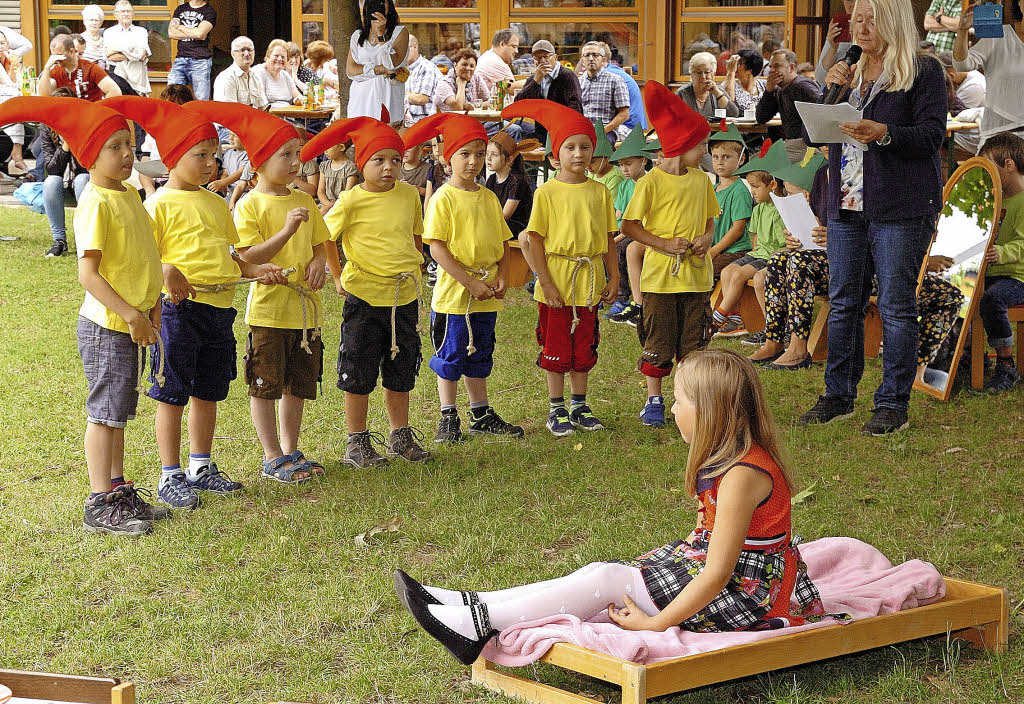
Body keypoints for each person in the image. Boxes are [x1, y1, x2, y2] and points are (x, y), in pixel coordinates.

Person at [394, 349, 832, 667]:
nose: (674, 409)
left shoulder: (742, 475)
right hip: (727, 578)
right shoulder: (730, 460)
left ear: (711, 412)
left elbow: (718, 573)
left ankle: (476, 623)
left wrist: (656, 624)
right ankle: (471, 605)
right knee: (600, 574)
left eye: (680, 401)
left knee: (606, 579)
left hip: (746, 596)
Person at [106, 96, 285, 508]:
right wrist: (167, 269)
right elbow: (143, 257)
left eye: (215, 155)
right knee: (171, 393)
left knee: (209, 391)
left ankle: (200, 466)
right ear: (172, 157)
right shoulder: (157, 204)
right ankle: (170, 474)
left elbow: (231, 257)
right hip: (178, 313)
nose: (211, 164)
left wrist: (256, 270)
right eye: (200, 154)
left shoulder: (216, 203)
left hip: (220, 312)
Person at [0, 97, 165, 535]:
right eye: (114, 146)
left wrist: (152, 306)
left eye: (129, 143)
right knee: (104, 413)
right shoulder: (95, 202)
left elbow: (142, 255)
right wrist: (132, 314)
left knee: (119, 414)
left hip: (132, 321)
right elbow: (88, 274)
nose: (128, 153)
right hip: (108, 326)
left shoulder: (128, 193)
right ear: (88, 156)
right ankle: (99, 502)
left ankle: (117, 487)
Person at [798, 0, 947, 436]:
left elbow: (931, 135)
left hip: (900, 207)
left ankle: (891, 405)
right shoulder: (848, 71)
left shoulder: (923, 71)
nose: (860, 28)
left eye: (870, 19)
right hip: (846, 203)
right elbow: (812, 134)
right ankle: (838, 396)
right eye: (856, 20)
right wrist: (829, 91)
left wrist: (884, 133)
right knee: (844, 302)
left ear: (894, 21)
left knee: (896, 307)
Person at [186, 101, 330, 484]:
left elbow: (320, 244)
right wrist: (285, 232)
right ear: (260, 162)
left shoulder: (304, 200)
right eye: (286, 155)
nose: (296, 161)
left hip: (306, 313)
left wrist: (319, 262)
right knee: (265, 383)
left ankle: (290, 449)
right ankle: (271, 455)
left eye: (298, 153)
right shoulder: (249, 205)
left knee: (298, 383)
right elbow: (247, 257)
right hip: (268, 312)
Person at [305, 116, 432, 467]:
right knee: (358, 369)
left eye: (395, 159)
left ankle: (400, 434)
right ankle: (357, 440)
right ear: (362, 164)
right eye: (379, 160)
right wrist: (337, 275)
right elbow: (327, 237)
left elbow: (416, 233)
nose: (389, 168)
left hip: (403, 297)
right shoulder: (351, 200)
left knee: (401, 367)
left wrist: (417, 259)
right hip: (364, 298)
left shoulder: (408, 195)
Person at [403, 114, 524, 443]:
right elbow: (438, 249)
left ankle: (481, 412)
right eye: (464, 154)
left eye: (480, 154)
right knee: (452, 354)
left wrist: (502, 273)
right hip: (455, 297)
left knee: (479, 352)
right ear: (448, 157)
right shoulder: (443, 197)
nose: (473, 162)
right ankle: (447, 414)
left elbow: (501, 240)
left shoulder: (486, 197)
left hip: (486, 294)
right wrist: (469, 282)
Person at [504, 100, 617, 436]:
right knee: (556, 345)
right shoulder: (547, 193)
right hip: (557, 277)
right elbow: (534, 240)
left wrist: (615, 276)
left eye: (585, 146)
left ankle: (580, 404)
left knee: (584, 343)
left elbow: (609, 238)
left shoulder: (599, 192)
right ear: (556, 156)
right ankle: (556, 408)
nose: (578, 154)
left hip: (590, 279)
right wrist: (546, 282)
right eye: (570, 147)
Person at [620, 81, 720, 428]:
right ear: (681, 145)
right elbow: (630, 226)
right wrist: (663, 244)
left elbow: (710, 220)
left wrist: (707, 238)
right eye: (702, 144)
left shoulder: (702, 180)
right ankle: (654, 399)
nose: (705, 151)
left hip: (696, 277)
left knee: (694, 343)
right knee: (658, 339)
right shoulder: (650, 183)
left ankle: (689, 399)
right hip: (661, 280)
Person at [748, 150, 831, 369]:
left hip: (850, 265)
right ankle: (774, 340)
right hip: (822, 262)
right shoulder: (823, 187)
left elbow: (865, 235)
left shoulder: (854, 187)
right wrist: (793, 240)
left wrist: (833, 237)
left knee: (798, 262)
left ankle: (798, 348)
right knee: (778, 259)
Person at [713, 164, 785, 340]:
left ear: (772, 185)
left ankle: (718, 315)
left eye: (756, 187)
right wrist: (753, 254)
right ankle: (735, 320)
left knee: (738, 275)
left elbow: (781, 244)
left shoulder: (780, 210)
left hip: (770, 257)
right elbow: (755, 237)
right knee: (727, 271)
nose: (752, 191)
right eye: (751, 187)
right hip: (757, 254)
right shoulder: (759, 208)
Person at [977, 132, 1024, 392]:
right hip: (991, 272)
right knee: (960, 291)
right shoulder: (994, 199)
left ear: (1008, 165)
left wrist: (1001, 253)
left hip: (1017, 276)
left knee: (991, 299)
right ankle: (966, 353)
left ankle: (1006, 363)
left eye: (990, 168)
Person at [954, 1, 1024, 145]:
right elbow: (962, 64)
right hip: (997, 138)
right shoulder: (999, 37)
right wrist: (962, 30)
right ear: (1019, 3)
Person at [37, 88, 91, 258]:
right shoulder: (46, 128)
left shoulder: (85, 126)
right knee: (51, 181)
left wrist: (74, 138)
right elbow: (52, 169)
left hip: (83, 184)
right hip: (60, 186)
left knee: (83, 179)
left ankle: (87, 240)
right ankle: (59, 240)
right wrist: (65, 146)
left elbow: (88, 165)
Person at [605, 127, 649, 324]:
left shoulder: (648, 183)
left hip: (640, 231)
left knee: (619, 249)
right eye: (621, 165)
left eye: (629, 164)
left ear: (644, 161)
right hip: (624, 229)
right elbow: (618, 214)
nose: (624, 169)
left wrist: (615, 238)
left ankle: (623, 297)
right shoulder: (624, 185)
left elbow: (635, 222)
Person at [346, 0, 408, 124]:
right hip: (361, 96)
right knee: (361, 134)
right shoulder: (358, 36)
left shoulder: (399, 32)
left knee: (385, 135)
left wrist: (381, 34)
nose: (377, 4)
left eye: (381, 2)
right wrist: (378, 69)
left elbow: (391, 65)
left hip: (387, 93)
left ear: (389, 6)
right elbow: (351, 71)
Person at [512, 40, 584, 147]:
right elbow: (518, 104)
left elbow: (576, 107)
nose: (542, 61)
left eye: (546, 57)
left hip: (563, 131)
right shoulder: (534, 78)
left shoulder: (567, 76)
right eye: (538, 58)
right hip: (541, 132)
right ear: (533, 61)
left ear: (555, 58)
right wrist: (536, 81)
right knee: (512, 133)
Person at [756, 49, 821, 163]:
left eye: (777, 66)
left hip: (808, 146)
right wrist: (769, 91)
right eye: (770, 67)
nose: (771, 71)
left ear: (791, 67)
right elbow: (761, 117)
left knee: (760, 166)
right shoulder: (780, 90)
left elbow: (823, 111)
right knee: (753, 161)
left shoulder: (802, 87)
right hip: (791, 144)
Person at [484, 129, 536, 241]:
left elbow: (505, 216)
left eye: (494, 154)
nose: (488, 158)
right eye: (487, 153)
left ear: (509, 160)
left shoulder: (517, 181)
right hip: (499, 224)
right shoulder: (492, 179)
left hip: (516, 227)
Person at [38, 34, 121, 101]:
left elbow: (115, 92)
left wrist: (98, 110)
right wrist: (47, 68)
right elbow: (44, 97)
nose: (56, 60)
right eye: (53, 56)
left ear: (72, 51)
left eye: (60, 56)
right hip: (68, 117)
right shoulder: (56, 71)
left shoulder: (91, 68)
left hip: (90, 117)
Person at [213, 36, 268, 137]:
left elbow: (262, 109)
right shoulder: (226, 78)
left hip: (251, 126)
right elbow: (230, 116)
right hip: (228, 131)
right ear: (233, 54)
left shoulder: (256, 77)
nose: (247, 54)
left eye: (250, 50)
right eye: (242, 50)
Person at [578, 41, 630, 147]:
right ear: (582, 61)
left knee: (597, 147)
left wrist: (602, 131)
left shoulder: (615, 80)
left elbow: (624, 114)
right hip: (582, 131)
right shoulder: (578, 82)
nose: (591, 58)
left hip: (606, 131)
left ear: (603, 60)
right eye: (587, 55)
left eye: (595, 55)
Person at [938, 51, 985, 157]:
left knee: (934, 144)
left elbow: (957, 118)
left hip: (972, 138)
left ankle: (951, 172)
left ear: (951, 75)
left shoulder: (974, 86)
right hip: (963, 133)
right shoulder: (966, 78)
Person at [167, 0, 216, 101]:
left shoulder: (209, 11)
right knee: (172, 95)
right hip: (180, 59)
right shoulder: (180, 9)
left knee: (201, 100)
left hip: (200, 60)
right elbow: (171, 33)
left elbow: (200, 34)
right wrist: (195, 32)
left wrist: (180, 27)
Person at [104, 1, 151, 97]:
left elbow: (142, 56)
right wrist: (133, 54)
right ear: (116, 15)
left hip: (137, 75)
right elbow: (110, 57)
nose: (126, 14)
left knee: (137, 108)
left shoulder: (141, 32)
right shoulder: (109, 32)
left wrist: (119, 50)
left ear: (133, 14)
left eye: (128, 11)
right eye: (122, 11)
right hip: (116, 74)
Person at [598, 42, 646, 133]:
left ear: (603, 60)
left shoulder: (610, 76)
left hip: (628, 126)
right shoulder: (613, 69)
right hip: (635, 125)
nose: (590, 60)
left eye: (594, 56)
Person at [677, 52, 739, 120]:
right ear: (691, 74)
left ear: (713, 74)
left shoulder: (718, 91)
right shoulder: (682, 94)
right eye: (698, 73)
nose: (703, 77)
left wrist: (717, 93)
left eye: (707, 72)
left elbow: (734, 114)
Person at [252, 40, 304, 108]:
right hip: (269, 116)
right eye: (276, 56)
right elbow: (262, 105)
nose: (280, 59)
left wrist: (298, 100)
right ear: (268, 56)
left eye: (283, 57)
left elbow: (299, 97)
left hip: (288, 116)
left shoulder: (285, 75)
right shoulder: (258, 72)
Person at [433, 48, 489, 113]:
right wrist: (461, 85)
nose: (468, 68)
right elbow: (459, 108)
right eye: (464, 64)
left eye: (471, 66)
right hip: (450, 120)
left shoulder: (477, 78)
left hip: (475, 120)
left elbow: (490, 102)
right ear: (455, 65)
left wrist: (474, 106)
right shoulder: (444, 83)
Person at [405, 34, 442, 125]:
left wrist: (398, 94)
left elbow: (421, 99)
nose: (402, 53)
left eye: (405, 49)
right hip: (408, 117)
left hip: (425, 119)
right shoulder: (403, 69)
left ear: (415, 47)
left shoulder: (426, 68)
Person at [816, 0, 855, 86]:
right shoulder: (838, 30)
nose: (852, 5)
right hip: (839, 91)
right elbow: (821, 78)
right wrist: (833, 47)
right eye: (848, 0)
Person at [317, 142, 359, 216]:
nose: (325, 151)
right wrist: (328, 205)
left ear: (341, 147)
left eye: (328, 147)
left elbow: (347, 195)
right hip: (325, 204)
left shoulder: (350, 167)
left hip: (342, 206)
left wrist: (331, 207)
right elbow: (320, 191)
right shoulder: (324, 166)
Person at [587, 119, 625, 203]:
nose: (588, 167)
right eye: (586, 161)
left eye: (592, 162)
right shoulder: (592, 175)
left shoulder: (615, 177)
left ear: (606, 157)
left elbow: (610, 206)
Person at [475, 28, 522, 93]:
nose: (516, 51)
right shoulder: (493, 61)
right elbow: (512, 88)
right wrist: (535, 80)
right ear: (502, 44)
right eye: (513, 46)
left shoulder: (489, 56)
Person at [724, 48, 767, 113]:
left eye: (739, 63)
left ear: (751, 68)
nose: (735, 66)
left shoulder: (764, 85)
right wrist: (731, 72)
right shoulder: (730, 85)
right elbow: (728, 105)